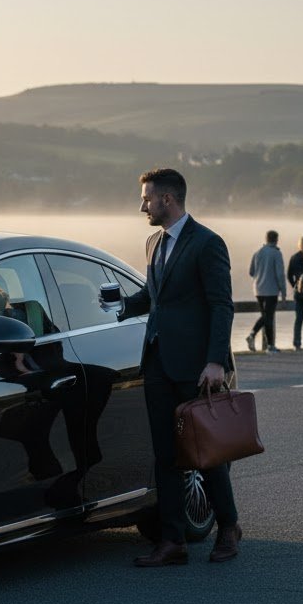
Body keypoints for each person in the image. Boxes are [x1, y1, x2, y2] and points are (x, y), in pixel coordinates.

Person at [109, 168, 241, 566]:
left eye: (146, 199)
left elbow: (222, 305)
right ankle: (172, 541)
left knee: (207, 452)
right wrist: (123, 304)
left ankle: (229, 526)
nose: (142, 206)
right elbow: (156, 294)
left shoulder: (208, 244)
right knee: (165, 454)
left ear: (167, 200)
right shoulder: (154, 242)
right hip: (158, 363)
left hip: (197, 367)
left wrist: (216, 361)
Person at [246, 230, 285, 353]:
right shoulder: (276, 253)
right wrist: (283, 291)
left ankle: (270, 345)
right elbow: (280, 274)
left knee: (266, 317)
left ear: (266, 238)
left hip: (258, 290)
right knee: (268, 316)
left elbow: (251, 272)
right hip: (271, 290)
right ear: (276, 239)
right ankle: (254, 336)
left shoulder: (258, 253)